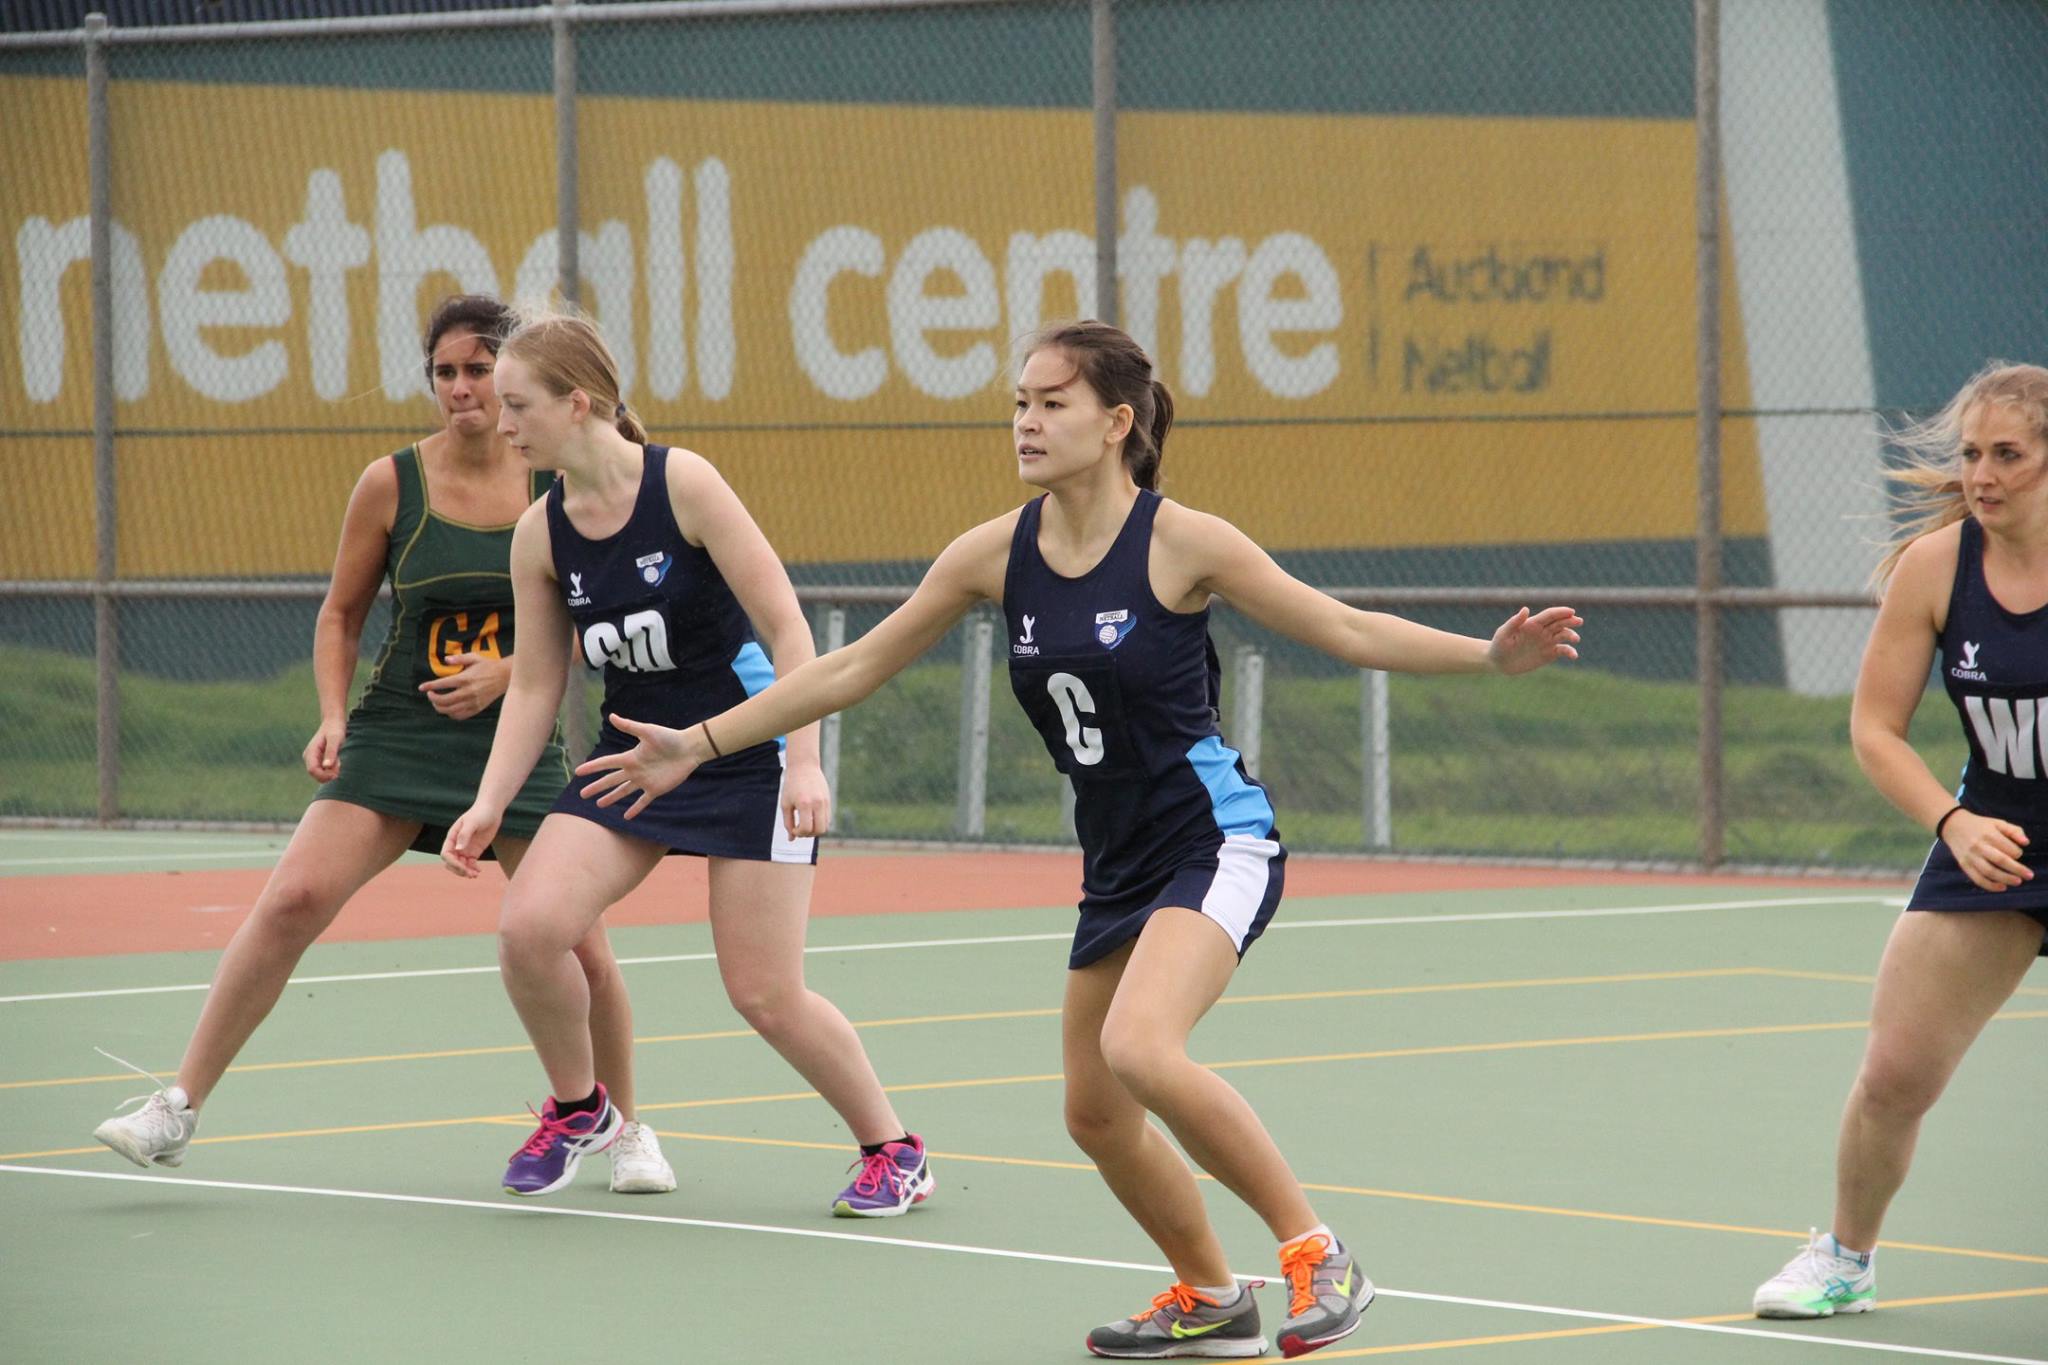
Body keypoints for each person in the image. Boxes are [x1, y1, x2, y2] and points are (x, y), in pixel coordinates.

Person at [573, 319, 1581, 1358]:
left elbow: (1345, 628)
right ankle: (1210, 1297)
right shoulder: (993, 554)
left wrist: (1485, 657)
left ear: (1115, 423)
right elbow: (850, 667)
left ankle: (1318, 1254)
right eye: (1019, 401)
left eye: (1052, 402)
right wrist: (701, 740)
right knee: (1094, 1114)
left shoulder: (1181, 542)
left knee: (1139, 1048)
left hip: (1213, 838)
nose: (1027, 420)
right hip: (1116, 862)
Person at [92, 295, 675, 1196]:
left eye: (479, 371)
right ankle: (176, 1106)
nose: (462, 388)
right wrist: (332, 715)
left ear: (514, 380)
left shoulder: (553, 482)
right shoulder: (391, 482)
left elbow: (587, 623)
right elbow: (341, 614)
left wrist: (506, 672)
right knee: (292, 900)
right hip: (398, 734)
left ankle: (628, 1129)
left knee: (581, 947)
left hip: (511, 748)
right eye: (445, 372)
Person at [438, 310, 929, 1211]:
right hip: (635, 761)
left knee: (765, 994)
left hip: (747, 754)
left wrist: (806, 761)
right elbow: (538, 682)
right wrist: (488, 801)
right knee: (529, 928)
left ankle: (893, 1149)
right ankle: (581, 1108)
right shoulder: (540, 532)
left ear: (577, 403)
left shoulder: (684, 484)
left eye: (517, 404)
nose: (501, 424)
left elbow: (787, 629)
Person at [1752, 361, 2048, 1319]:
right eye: (1971, 454)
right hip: (1995, 837)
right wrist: (1953, 823)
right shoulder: (1936, 567)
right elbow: (1876, 729)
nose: (1982, 475)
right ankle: (1846, 1259)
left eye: (2009, 454)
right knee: (1892, 1075)